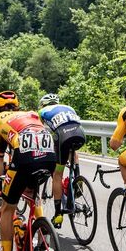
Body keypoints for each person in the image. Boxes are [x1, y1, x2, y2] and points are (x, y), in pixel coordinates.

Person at [0, 91, 57, 251]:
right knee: (34, 196)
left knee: (7, 208)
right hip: (50, 155)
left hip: (25, 158)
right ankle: (45, 246)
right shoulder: (30, 114)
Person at [37, 93, 87, 228]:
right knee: (72, 150)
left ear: (43, 105)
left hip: (63, 137)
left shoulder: (42, 112)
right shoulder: (68, 107)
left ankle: (58, 214)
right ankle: (77, 178)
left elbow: (39, 132)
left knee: (57, 175)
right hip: (80, 134)